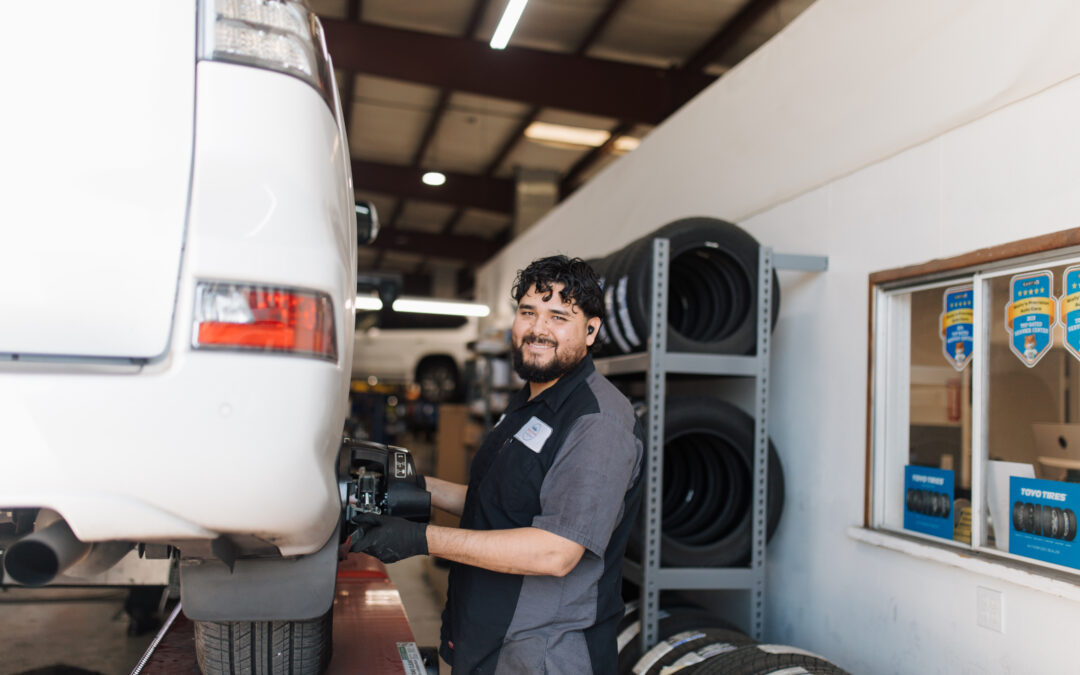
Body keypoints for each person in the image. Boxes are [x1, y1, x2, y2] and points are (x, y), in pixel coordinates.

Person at [349, 255, 644, 674]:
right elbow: (501, 502)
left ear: (591, 330)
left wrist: (421, 538)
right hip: (484, 635)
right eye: (529, 312)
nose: (538, 329)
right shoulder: (529, 401)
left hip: (541, 653)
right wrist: (408, 485)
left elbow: (554, 551)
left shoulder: (598, 422)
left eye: (559, 317)